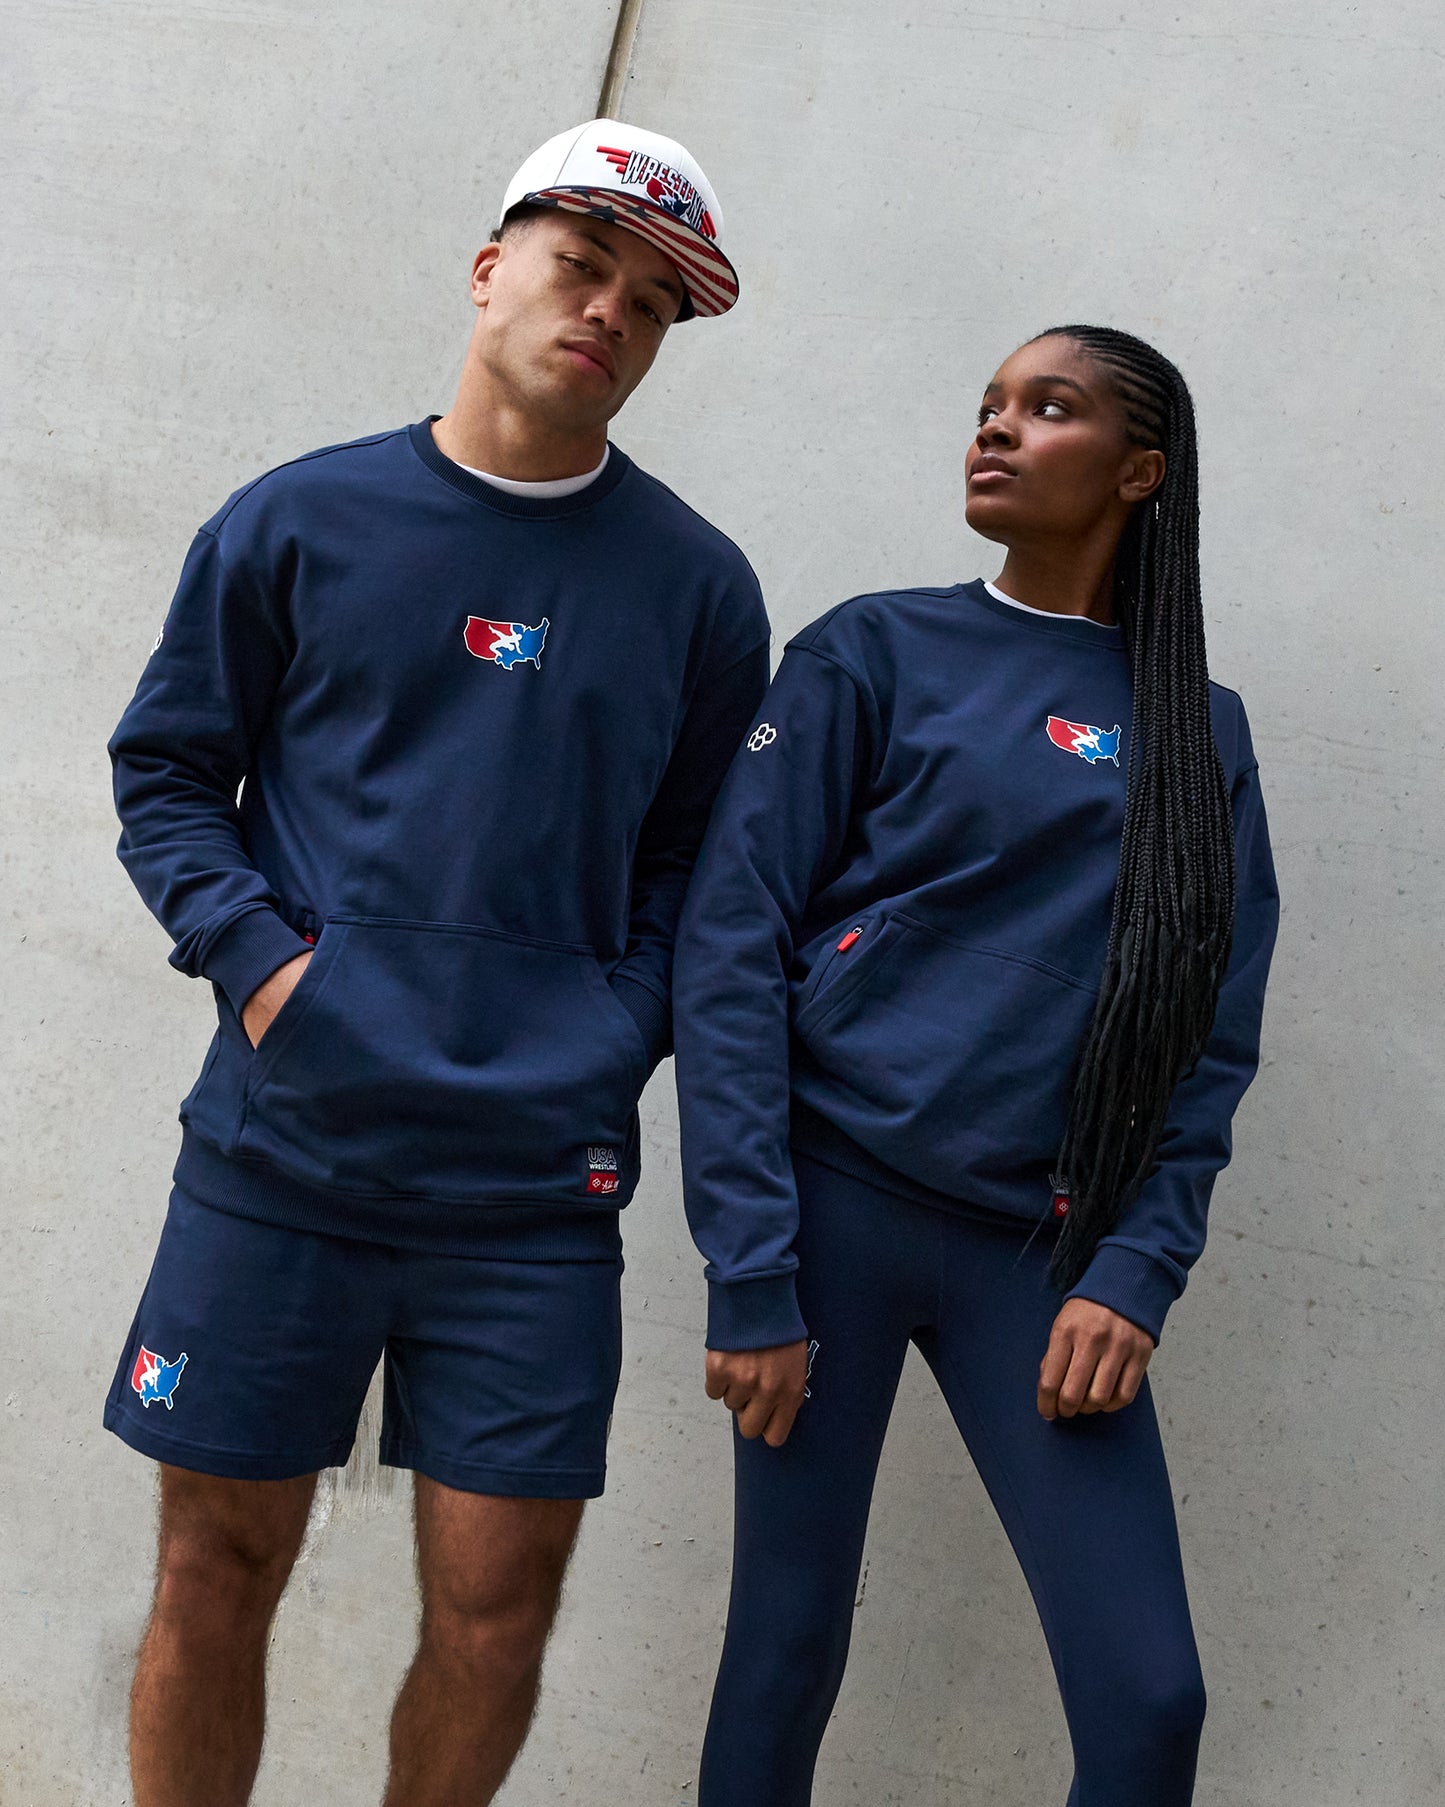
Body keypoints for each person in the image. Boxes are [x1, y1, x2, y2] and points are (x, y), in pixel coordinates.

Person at [104, 119, 766, 1807]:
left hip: (534, 1185)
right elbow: (171, 775)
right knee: (215, 1566)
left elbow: (696, 863)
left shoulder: (695, 589)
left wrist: (614, 1029)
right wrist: (268, 973)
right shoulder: (299, 520)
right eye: (577, 266)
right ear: (490, 274)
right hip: (283, 1150)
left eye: (646, 301)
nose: (606, 313)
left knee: (495, 1609)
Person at [674, 324, 1280, 1805]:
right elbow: (728, 947)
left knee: (1147, 1700)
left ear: (1140, 472)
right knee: (785, 1645)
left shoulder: (1201, 738)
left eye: (1047, 409)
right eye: (988, 406)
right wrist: (750, 1267)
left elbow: (1207, 1032)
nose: (994, 431)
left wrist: (1132, 1269)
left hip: (1045, 1252)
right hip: (828, 1219)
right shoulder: (874, 651)